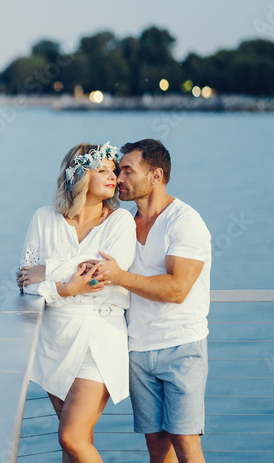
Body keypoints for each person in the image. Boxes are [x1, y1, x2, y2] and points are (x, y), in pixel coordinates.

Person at [91, 139, 212, 463]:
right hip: (137, 348)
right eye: (119, 171)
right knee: (157, 449)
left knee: (186, 444)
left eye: (127, 171)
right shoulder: (123, 224)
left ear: (156, 175)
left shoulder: (185, 221)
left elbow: (177, 289)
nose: (119, 179)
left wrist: (119, 276)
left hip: (181, 347)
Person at [16, 142, 137, 463]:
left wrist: (50, 273)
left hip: (98, 340)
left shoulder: (120, 221)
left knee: (70, 436)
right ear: (79, 174)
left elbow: (102, 276)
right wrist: (68, 288)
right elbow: (27, 283)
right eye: (103, 169)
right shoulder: (43, 218)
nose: (113, 176)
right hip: (53, 340)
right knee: (78, 442)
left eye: (115, 170)